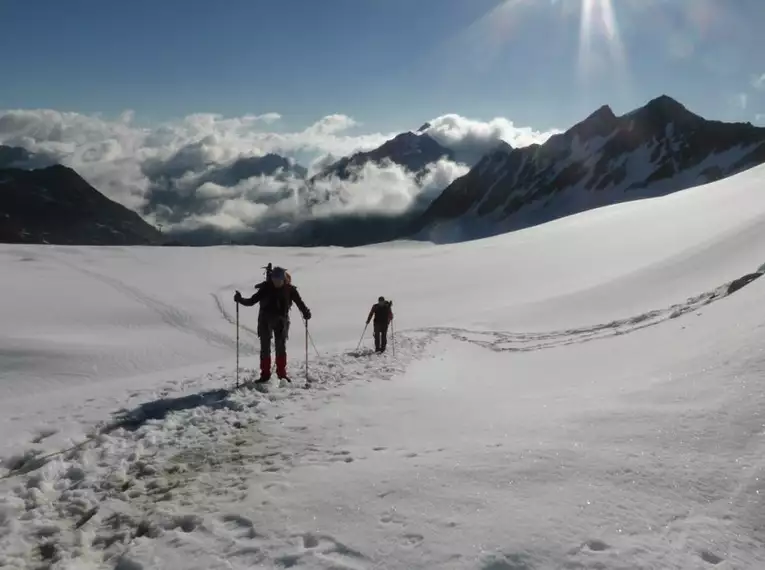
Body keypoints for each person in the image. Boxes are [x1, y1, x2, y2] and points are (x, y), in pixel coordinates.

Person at [234, 266, 311, 382]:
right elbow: (251, 301)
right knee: (265, 348)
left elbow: (299, 303)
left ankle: (281, 374)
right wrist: (240, 299)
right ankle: (265, 374)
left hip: (281, 321)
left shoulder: (290, 290)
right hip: (265, 320)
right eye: (274, 279)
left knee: (281, 348)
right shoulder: (266, 288)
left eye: (278, 280)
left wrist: (306, 312)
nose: (276, 282)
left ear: (283, 279)